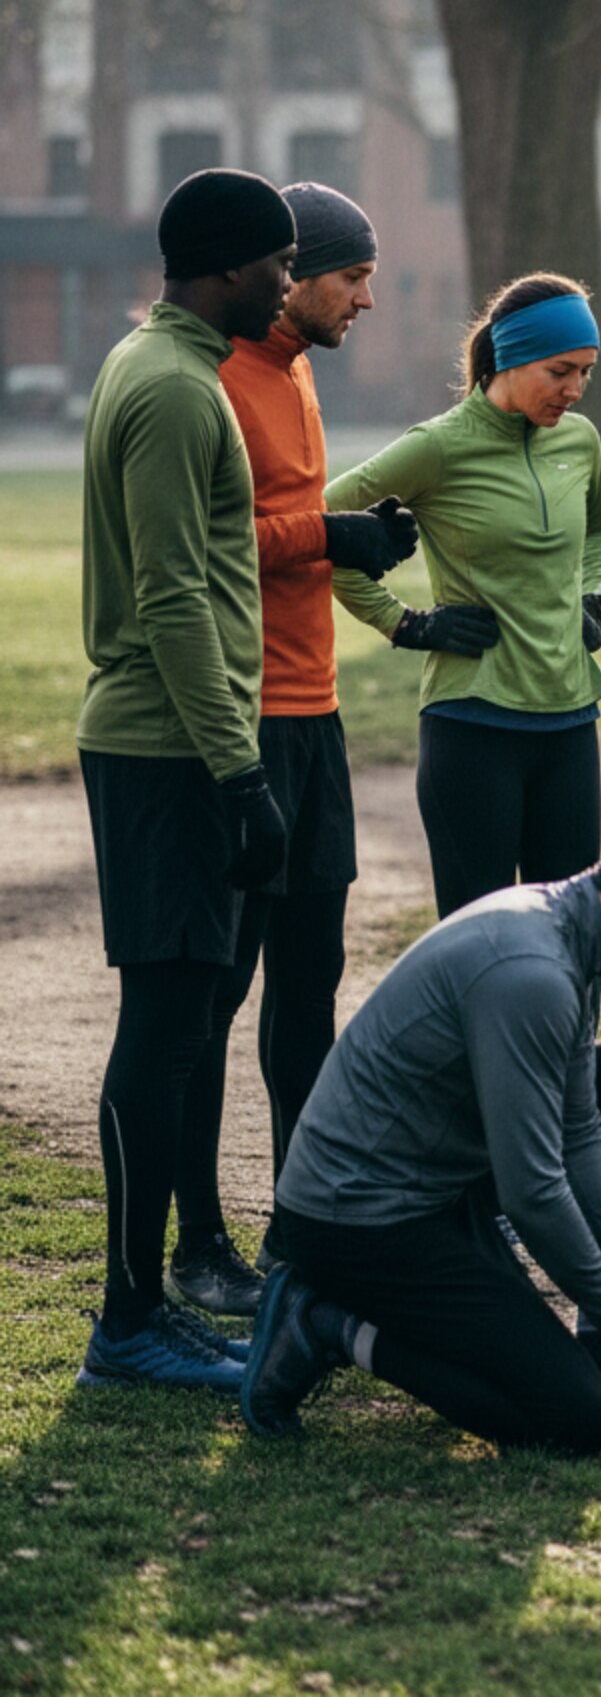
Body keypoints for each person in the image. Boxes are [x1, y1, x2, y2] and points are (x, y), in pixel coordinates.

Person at [240, 810, 601, 1453]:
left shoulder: (577, 937)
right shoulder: (531, 973)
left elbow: (580, 1129)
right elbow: (532, 1191)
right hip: (357, 1222)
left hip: (437, 1185)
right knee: (574, 1418)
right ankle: (325, 1323)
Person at [168, 183, 419, 1319]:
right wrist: (332, 532)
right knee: (216, 991)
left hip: (313, 711)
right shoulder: (218, 376)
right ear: (288, 272)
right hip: (245, 713)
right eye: (350, 277)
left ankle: (301, 1218)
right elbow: (221, 538)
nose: (366, 297)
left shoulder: (300, 369)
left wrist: (357, 539)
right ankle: (195, 1240)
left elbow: (292, 519)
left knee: (308, 980)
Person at [74, 168, 296, 1393]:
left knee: (174, 1028)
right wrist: (240, 771)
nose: (284, 277)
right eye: (272, 260)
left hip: (175, 743)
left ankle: (150, 1298)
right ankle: (127, 1319)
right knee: (159, 1032)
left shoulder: (171, 368)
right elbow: (169, 595)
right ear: (221, 266)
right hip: (167, 748)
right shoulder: (166, 388)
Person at [326, 272, 601, 919]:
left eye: (586, 373)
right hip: (473, 726)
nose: (574, 390)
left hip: (570, 720)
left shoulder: (579, 440)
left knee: (573, 929)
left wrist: (597, 591)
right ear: (510, 359)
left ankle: (571, 1031)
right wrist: (402, 624)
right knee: (476, 936)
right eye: (560, 371)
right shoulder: (438, 447)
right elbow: (321, 527)